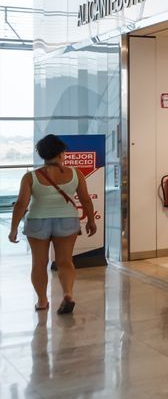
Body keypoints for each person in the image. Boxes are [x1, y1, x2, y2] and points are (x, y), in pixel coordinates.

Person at [7, 134, 95, 314]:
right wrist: (91, 221)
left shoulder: (30, 177)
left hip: (37, 220)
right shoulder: (76, 174)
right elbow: (85, 200)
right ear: (62, 154)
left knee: (39, 263)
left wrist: (13, 228)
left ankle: (41, 301)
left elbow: (21, 204)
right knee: (65, 261)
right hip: (67, 220)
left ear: (42, 155)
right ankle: (68, 294)